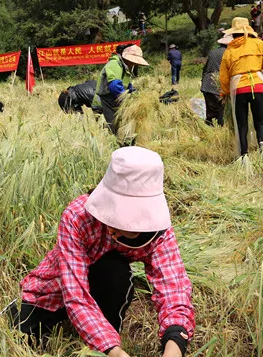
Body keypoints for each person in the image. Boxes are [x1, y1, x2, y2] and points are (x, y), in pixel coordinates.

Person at [15, 147, 194, 357]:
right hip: (53, 291)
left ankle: (104, 335)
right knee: (10, 335)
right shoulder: (77, 217)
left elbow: (174, 290)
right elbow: (75, 294)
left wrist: (174, 347)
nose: (113, 229)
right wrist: (114, 352)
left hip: (104, 287)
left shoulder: (158, 232)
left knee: (114, 270)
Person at [219, 17, 263, 156]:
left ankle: (244, 154)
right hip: (257, 84)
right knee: (260, 121)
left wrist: (225, 92)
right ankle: (262, 144)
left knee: (242, 124)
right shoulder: (258, 43)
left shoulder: (230, 50)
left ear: (233, 33)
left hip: (239, 87)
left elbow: (224, 76)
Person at [93, 44, 148, 133]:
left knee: (120, 129)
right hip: (104, 101)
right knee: (111, 131)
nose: (134, 64)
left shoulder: (124, 67)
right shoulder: (115, 64)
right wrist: (127, 100)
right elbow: (114, 86)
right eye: (133, 61)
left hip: (113, 100)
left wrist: (134, 93)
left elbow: (125, 85)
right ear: (126, 57)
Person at [201, 35, 232, 127]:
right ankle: (220, 126)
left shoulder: (212, 52)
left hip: (207, 82)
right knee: (221, 108)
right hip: (218, 84)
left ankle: (209, 125)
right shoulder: (228, 53)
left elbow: (206, 68)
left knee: (210, 108)